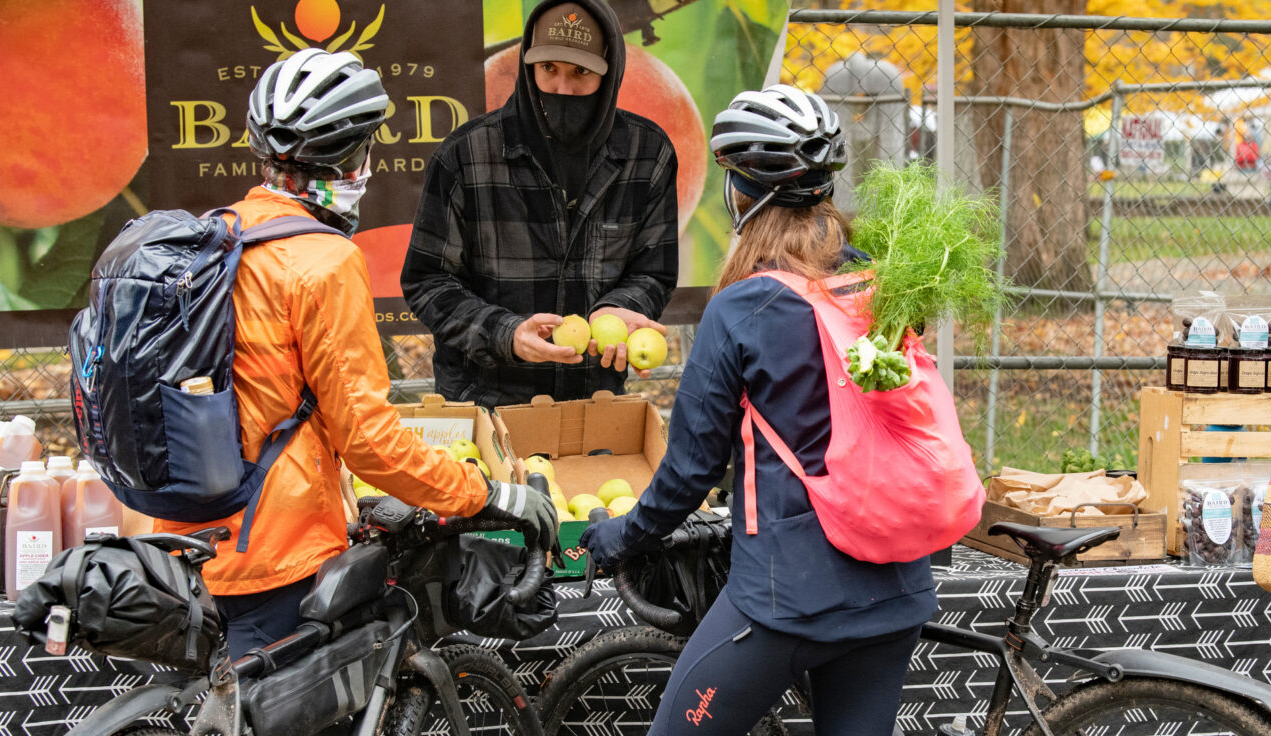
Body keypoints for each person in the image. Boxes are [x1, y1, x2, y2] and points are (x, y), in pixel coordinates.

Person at [578, 86, 930, 735]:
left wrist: (616, 537)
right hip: (894, 593)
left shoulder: (742, 310)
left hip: (786, 600)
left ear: (742, 192)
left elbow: (690, 471)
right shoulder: (879, 286)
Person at [180, 49, 556, 656]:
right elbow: (369, 442)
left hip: (186, 541)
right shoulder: (321, 260)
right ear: (353, 159)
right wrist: (487, 493)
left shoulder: (215, 237)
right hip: (275, 553)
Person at [402, 0, 678, 408]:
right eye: (548, 69)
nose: (562, 89)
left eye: (581, 72)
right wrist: (505, 332)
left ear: (610, 71)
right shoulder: (466, 154)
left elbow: (652, 272)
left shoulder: (646, 153)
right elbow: (428, 280)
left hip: (593, 398)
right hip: (485, 397)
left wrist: (618, 308)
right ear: (527, 66)